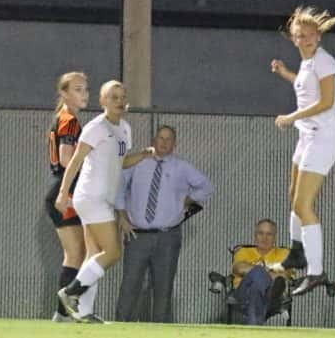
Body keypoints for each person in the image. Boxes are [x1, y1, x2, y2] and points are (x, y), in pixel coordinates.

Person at [55, 80, 155, 323]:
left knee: (94, 255)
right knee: (112, 252)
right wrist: (62, 192)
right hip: (91, 196)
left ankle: (83, 312)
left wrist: (142, 155)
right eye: (113, 97)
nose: (119, 101)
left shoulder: (125, 129)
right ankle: (70, 293)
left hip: (102, 198)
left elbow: (120, 163)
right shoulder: (95, 127)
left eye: (122, 96)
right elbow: (76, 161)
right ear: (102, 102)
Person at [269, 6, 335, 295]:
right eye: (300, 35)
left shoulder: (325, 62)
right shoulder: (306, 64)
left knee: (303, 205)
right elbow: (306, 87)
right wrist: (286, 74)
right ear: (293, 39)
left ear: (318, 36)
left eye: (310, 35)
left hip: (323, 138)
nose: (306, 39)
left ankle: (316, 272)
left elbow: (326, 102)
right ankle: (297, 252)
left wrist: (292, 117)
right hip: (306, 137)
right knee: (293, 196)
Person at [114, 125, 214, 323]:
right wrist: (122, 217)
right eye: (161, 138)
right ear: (154, 140)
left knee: (163, 287)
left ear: (174, 144)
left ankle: (160, 331)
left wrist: (189, 199)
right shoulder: (137, 163)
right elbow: (118, 187)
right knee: (130, 286)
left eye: (169, 139)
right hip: (137, 235)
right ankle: (120, 328)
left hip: (168, 236)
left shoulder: (181, 167)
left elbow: (207, 186)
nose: (164, 142)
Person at [45, 71, 89, 322]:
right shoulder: (69, 119)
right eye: (77, 89)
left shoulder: (62, 118)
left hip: (63, 187)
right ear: (64, 93)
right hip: (64, 189)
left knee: (78, 254)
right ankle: (63, 314)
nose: (83, 94)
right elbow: (64, 158)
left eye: (85, 89)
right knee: (75, 254)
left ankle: (65, 313)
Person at [228, 219, 296, 325]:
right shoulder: (244, 252)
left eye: (269, 234)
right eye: (261, 233)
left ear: (275, 238)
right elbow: (239, 268)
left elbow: (285, 276)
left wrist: (252, 270)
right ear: (255, 236)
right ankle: (268, 291)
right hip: (244, 295)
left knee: (256, 289)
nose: (264, 238)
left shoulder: (284, 254)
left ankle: (254, 330)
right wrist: (266, 273)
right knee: (258, 274)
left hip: (274, 300)